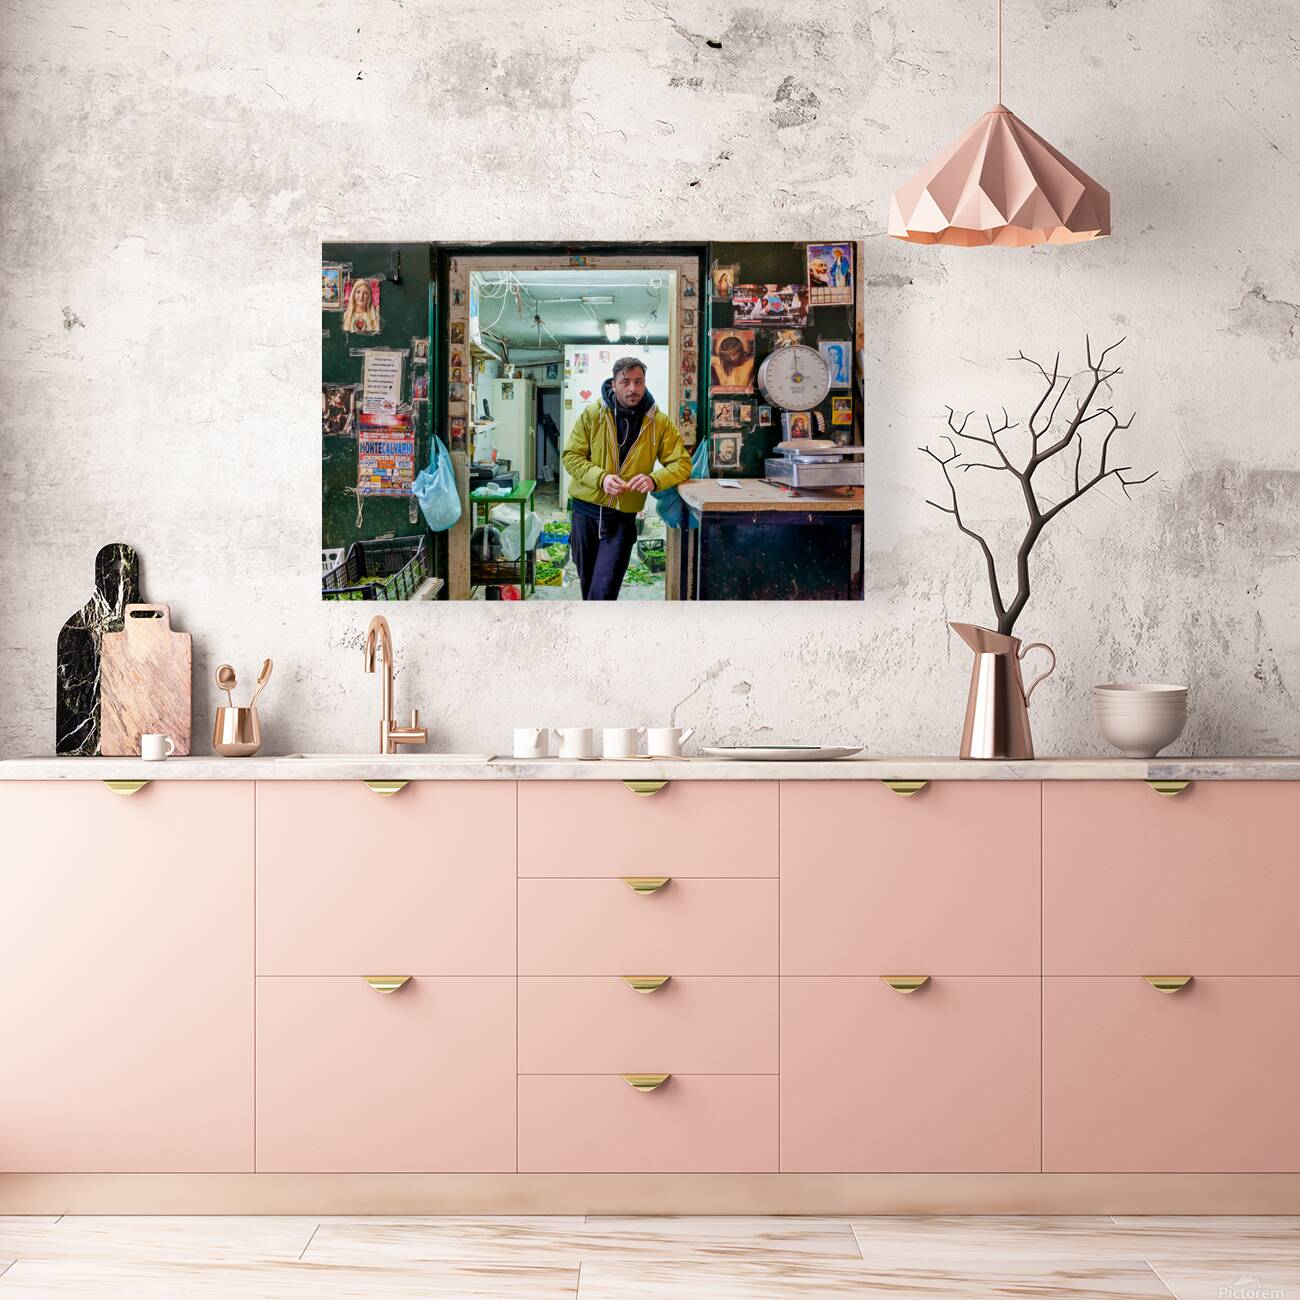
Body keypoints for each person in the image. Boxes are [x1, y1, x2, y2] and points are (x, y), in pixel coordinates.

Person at [562, 357, 691, 600]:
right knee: (588, 586)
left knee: (603, 591)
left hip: (621, 519)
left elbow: (682, 463)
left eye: (638, 382)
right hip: (585, 513)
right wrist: (601, 478)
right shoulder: (593, 415)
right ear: (614, 384)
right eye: (626, 382)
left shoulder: (658, 422)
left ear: (644, 383)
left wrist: (654, 479)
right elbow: (571, 457)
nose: (633, 388)